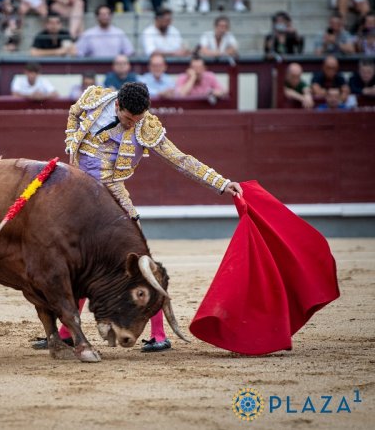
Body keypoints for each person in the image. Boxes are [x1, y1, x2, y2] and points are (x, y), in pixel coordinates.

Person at [31, 82, 242, 353]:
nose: (133, 125)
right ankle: (67, 333)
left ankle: (158, 335)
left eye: (139, 119)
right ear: (117, 105)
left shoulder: (146, 126)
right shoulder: (95, 98)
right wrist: (72, 138)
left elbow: (181, 159)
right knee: (76, 263)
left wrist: (221, 183)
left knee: (140, 266)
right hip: (78, 197)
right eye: (129, 118)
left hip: (113, 201)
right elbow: (74, 113)